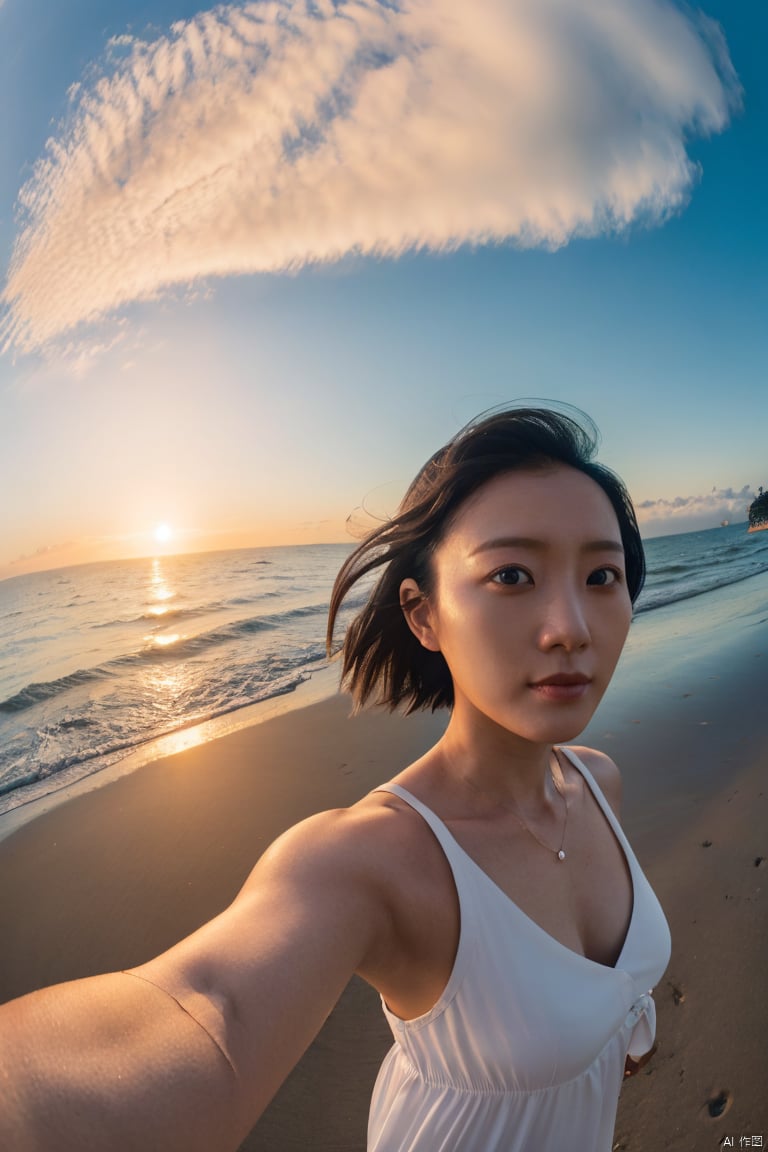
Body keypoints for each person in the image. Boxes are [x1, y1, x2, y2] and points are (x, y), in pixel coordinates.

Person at [0, 406, 670, 1152]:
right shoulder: (372, 860)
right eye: (512, 575)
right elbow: (209, 1009)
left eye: (601, 575)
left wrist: (604, 1045)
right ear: (424, 616)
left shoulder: (597, 782)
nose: (571, 626)